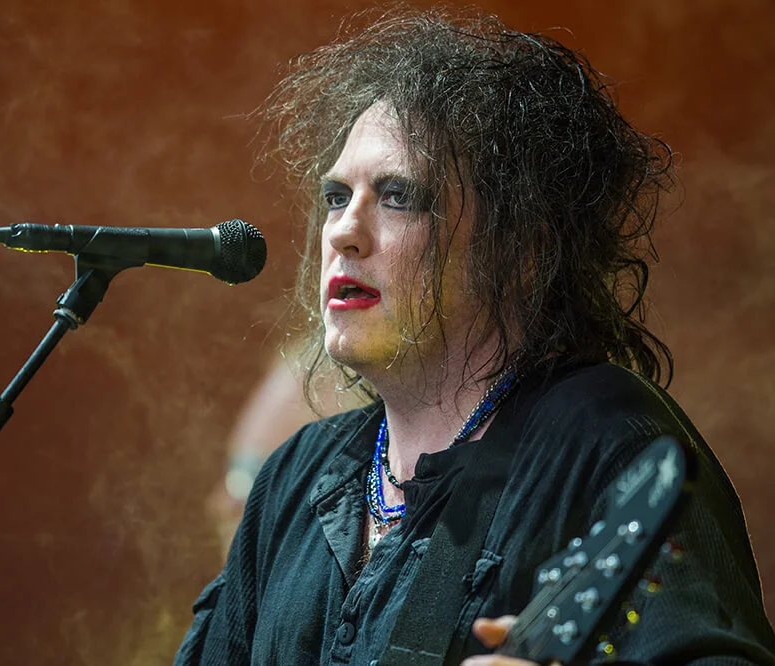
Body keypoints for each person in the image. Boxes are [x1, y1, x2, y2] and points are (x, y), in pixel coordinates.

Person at [176, 6, 775, 665]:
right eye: (337, 196)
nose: (345, 230)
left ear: (518, 247)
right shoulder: (295, 476)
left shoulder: (607, 442)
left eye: (399, 195)